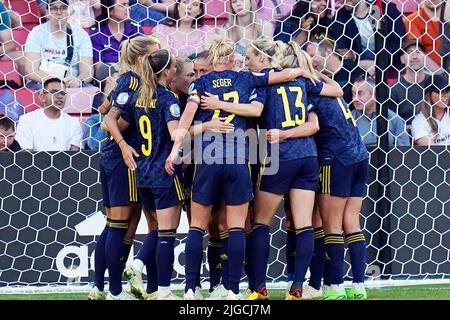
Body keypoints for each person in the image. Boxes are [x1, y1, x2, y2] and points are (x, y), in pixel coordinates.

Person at [165, 37, 320, 300]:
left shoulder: (199, 85)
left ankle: (191, 289)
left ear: (213, 59)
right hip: (239, 157)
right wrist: (302, 71)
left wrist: (175, 150)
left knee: (197, 226)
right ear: (231, 58)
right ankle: (233, 290)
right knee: (237, 225)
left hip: (208, 159)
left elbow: (185, 122)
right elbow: (282, 77)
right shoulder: (246, 80)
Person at [199, 39, 343, 300]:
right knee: (304, 225)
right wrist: (310, 71)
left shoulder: (263, 82)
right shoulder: (300, 83)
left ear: (263, 59)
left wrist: (219, 105)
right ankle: (298, 288)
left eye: (251, 57)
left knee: (260, 223)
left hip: (279, 158)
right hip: (308, 156)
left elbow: (255, 111)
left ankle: (259, 287)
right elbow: (328, 105)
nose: (247, 61)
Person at [280, 48, 370, 300]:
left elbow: (314, 124)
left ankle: (335, 286)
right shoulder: (323, 84)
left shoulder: (304, 89)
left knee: (329, 224)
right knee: (351, 222)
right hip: (359, 154)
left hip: (335, 158)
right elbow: (338, 90)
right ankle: (359, 286)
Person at [106, 49, 184, 300]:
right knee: (166, 233)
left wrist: (121, 143)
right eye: (174, 67)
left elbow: (109, 119)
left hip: (143, 173)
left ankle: (138, 266)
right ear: (167, 72)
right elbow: (175, 134)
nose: (177, 70)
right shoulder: (167, 99)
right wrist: (205, 126)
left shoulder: (138, 97)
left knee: (157, 230)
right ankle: (162, 290)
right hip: (164, 171)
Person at [91, 35, 160, 300]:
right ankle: (116, 292)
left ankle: (99, 287)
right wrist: (122, 140)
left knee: (117, 224)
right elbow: (111, 121)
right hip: (124, 158)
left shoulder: (125, 79)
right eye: (155, 54)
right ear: (143, 57)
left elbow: (103, 108)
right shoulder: (134, 81)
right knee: (122, 224)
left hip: (112, 156)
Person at [24, 0, 94, 89]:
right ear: (47, 12)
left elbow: (87, 71)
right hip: (43, 82)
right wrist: (54, 82)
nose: (59, 12)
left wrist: (78, 81)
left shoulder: (81, 34)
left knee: (91, 90)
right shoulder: (37, 32)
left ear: (69, 11)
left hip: (71, 84)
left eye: (63, 8)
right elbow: (31, 71)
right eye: (54, 8)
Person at [332, 0, 405, 75]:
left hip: (389, 67)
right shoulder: (340, 17)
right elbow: (342, 51)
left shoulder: (382, 9)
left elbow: (396, 42)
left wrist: (377, 62)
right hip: (359, 71)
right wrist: (358, 60)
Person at [15, 78, 83, 152]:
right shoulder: (27, 120)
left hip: (65, 163)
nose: (60, 96)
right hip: (35, 163)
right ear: (42, 97)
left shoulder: (74, 123)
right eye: (54, 92)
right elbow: (25, 154)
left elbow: (75, 155)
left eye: (63, 93)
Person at [90, 0, 145, 82]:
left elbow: (142, 62)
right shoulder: (97, 32)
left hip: (134, 79)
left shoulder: (136, 29)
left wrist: (115, 68)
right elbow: (98, 69)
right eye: (123, 5)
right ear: (110, 10)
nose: (128, 8)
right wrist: (113, 75)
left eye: (128, 4)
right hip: (108, 81)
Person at [351, 76, 410, 147]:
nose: (355, 99)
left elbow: (404, 148)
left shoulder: (392, 118)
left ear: (374, 95)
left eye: (360, 93)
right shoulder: (348, 120)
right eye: (353, 94)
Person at [305, 34, 366, 103]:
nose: (310, 61)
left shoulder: (354, 70)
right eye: (307, 58)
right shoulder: (315, 81)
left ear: (328, 52)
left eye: (313, 56)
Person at [151, 0, 216, 57]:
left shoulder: (206, 31)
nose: (189, 7)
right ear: (178, 6)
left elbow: (208, 58)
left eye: (195, 4)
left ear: (199, 11)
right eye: (185, 2)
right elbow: (166, 58)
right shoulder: (161, 30)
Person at [388, 39, 431, 125]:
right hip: (406, 134)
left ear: (425, 57)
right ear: (402, 59)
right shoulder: (394, 89)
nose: (414, 56)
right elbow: (393, 123)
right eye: (409, 52)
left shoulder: (434, 83)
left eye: (418, 52)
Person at [404, 0, 447, 73]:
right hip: (427, 72)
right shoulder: (412, 20)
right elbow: (416, 52)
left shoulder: (447, 19)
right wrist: (442, 74)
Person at [411, 74, 450, 145]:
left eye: (447, 90)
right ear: (429, 95)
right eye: (439, 91)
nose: (445, 94)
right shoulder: (418, 122)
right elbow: (432, 151)